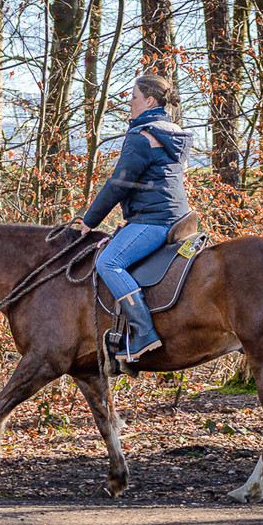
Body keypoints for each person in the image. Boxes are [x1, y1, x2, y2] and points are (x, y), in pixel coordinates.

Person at [78, 74, 193, 360]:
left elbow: (118, 183)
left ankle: (144, 333)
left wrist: (89, 221)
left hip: (155, 220)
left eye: (134, 97)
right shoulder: (171, 131)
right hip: (180, 216)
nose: (129, 102)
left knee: (109, 262)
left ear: (150, 101)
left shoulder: (142, 137)